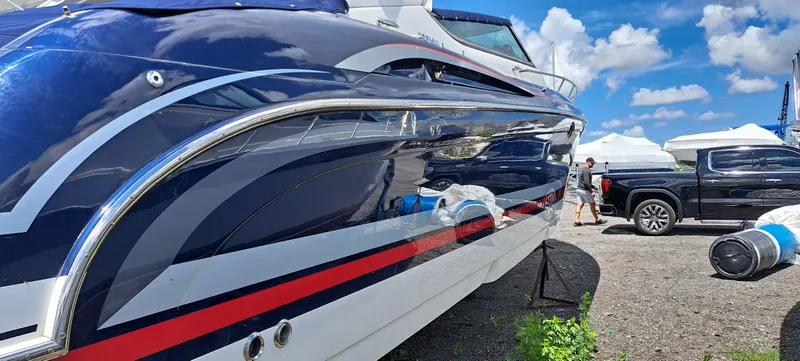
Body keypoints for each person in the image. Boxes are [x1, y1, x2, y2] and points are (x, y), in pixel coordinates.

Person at [574, 157, 607, 226]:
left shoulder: (582, 169)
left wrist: (593, 186)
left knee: (580, 204)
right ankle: (597, 219)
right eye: (592, 163)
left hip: (579, 189)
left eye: (593, 163)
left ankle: (577, 220)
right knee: (592, 204)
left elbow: (583, 181)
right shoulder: (587, 170)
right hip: (584, 190)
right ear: (587, 162)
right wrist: (591, 191)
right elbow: (586, 182)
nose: (593, 164)